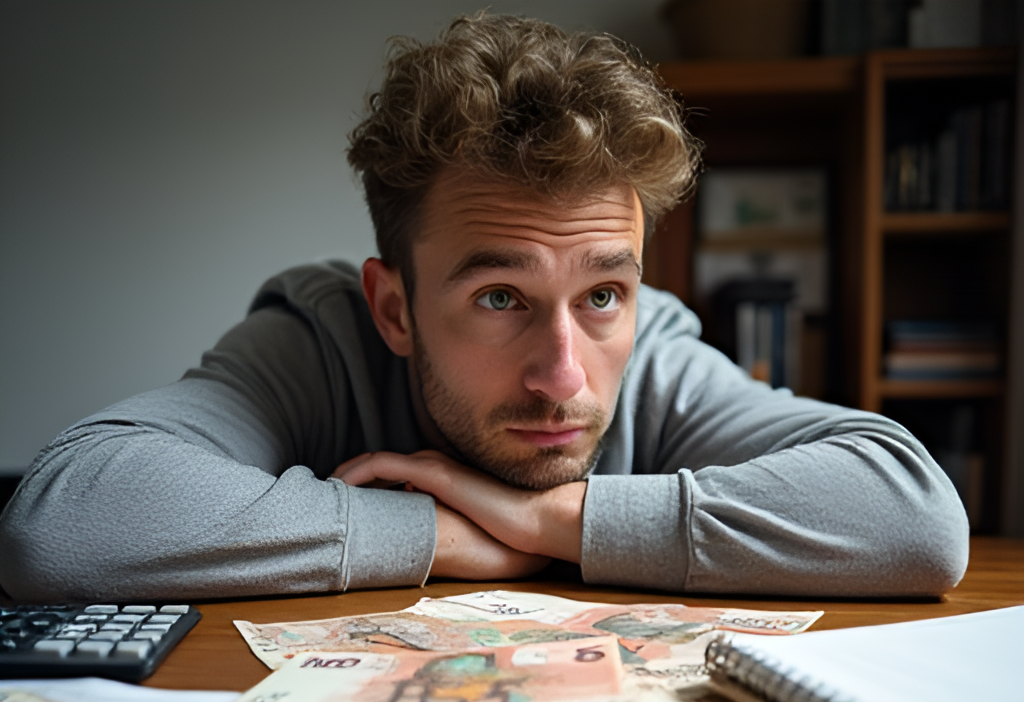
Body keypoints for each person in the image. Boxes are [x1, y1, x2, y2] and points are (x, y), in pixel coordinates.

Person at [0, 14, 967, 603]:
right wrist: (439, 537)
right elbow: (67, 522)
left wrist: (547, 524)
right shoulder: (318, 341)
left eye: (602, 295)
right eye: (500, 296)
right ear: (395, 309)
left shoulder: (658, 354)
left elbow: (913, 516)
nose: (564, 375)